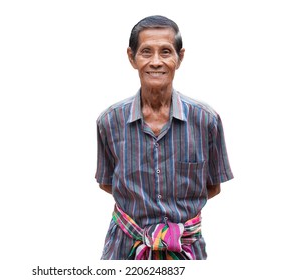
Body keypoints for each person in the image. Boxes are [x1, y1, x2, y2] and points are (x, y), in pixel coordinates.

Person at [95, 15, 233, 260]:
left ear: (179, 58)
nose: (156, 62)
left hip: (185, 251)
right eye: (146, 52)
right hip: (123, 249)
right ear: (131, 57)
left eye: (166, 52)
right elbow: (108, 183)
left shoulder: (206, 120)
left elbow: (212, 186)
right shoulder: (110, 121)